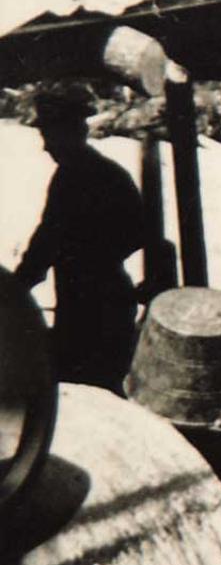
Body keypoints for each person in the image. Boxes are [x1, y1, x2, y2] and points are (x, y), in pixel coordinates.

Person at [15, 87, 144, 389]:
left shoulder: (72, 177)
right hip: (110, 301)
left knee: (81, 388)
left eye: (48, 134)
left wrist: (15, 291)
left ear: (71, 131)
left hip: (86, 309)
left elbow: (46, 242)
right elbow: (137, 233)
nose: (45, 146)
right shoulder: (111, 173)